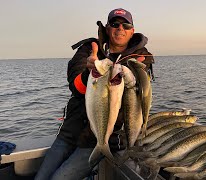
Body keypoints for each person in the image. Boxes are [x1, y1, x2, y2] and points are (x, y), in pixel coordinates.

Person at [35, 8, 154, 180]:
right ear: (107, 28)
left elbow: (141, 94)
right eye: (115, 24)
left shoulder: (142, 57)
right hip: (70, 131)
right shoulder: (89, 49)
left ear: (132, 31)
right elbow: (75, 87)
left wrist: (134, 75)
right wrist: (89, 73)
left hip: (99, 138)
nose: (120, 28)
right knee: (40, 177)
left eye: (126, 25)